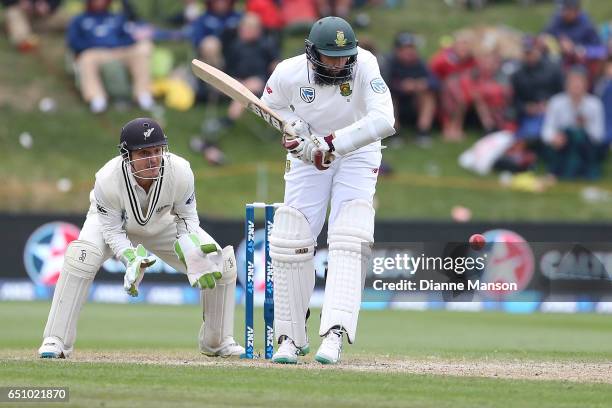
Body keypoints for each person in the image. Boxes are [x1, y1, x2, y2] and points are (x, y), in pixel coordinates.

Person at [38, 117, 244, 359]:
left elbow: (187, 218)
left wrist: (191, 246)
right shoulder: (107, 179)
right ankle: (56, 340)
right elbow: (113, 231)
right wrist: (130, 258)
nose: (153, 159)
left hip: (161, 222)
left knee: (221, 262)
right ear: (128, 156)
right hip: (114, 223)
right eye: (144, 153)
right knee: (81, 257)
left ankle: (217, 341)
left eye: (157, 150)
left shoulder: (180, 171)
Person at [261, 16, 395, 364]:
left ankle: (335, 332)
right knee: (291, 234)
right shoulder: (287, 73)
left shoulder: (365, 63)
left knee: (350, 234)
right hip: (311, 152)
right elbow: (272, 108)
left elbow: (384, 120)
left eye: (344, 57)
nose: (338, 65)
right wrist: (298, 135)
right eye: (330, 57)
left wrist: (331, 144)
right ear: (311, 53)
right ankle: (290, 337)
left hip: (358, 147)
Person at [67, 0, 154, 113]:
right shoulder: (79, 19)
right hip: (95, 52)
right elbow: (74, 42)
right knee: (86, 59)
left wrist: (132, 39)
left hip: (119, 50)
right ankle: (96, 97)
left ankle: (143, 94)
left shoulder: (116, 17)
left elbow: (127, 37)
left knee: (141, 52)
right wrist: (94, 44)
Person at [542, 66, 605, 179]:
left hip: (585, 147)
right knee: (567, 135)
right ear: (566, 84)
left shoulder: (595, 104)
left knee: (577, 136)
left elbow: (598, 135)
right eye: (572, 81)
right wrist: (554, 138)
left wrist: (585, 126)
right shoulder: (556, 102)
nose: (576, 85)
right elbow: (547, 130)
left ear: (586, 84)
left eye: (579, 81)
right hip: (562, 146)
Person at [387, 31, 438, 147]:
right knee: (389, 97)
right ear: (397, 50)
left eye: (411, 48)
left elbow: (435, 82)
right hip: (395, 105)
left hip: (414, 105)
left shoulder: (419, 63)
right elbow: (381, 85)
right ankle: (394, 133)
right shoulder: (389, 62)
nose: (409, 51)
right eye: (405, 48)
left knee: (428, 94)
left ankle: (423, 132)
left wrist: (423, 84)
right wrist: (401, 86)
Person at [511, 35, 564, 141]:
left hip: (553, 112)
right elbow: (514, 102)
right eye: (527, 53)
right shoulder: (517, 75)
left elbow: (562, 93)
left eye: (532, 52)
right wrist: (527, 108)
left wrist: (550, 105)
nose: (529, 56)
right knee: (529, 133)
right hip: (529, 116)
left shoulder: (554, 69)